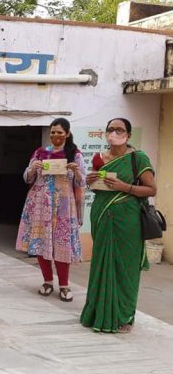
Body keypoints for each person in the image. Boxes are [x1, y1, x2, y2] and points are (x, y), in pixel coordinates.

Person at [80, 118, 157, 333]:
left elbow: (151, 189)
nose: (114, 133)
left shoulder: (138, 158)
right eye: (111, 129)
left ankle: (124, 316)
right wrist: (91, 181)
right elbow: (99, 190)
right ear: (105, 133)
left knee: (126, 268)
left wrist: (125, 187)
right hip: (102, 216)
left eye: (119, 130)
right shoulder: (99, 158)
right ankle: (97, 313)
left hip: (128, 221)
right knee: (102, 265)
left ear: (128, 135)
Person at [16, 118, 86, 302]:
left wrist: (76, 171)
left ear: (67, 134)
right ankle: (47, 281)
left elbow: (82, 181)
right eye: (53, 132)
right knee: (41, 241)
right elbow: (27, 177)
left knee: (62, 244)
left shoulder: (75, 155)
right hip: (40, 204)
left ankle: (64, 285)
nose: (55, 136)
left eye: (59, 133)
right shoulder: (41, 152)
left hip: (64, 205)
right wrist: (32, 168)